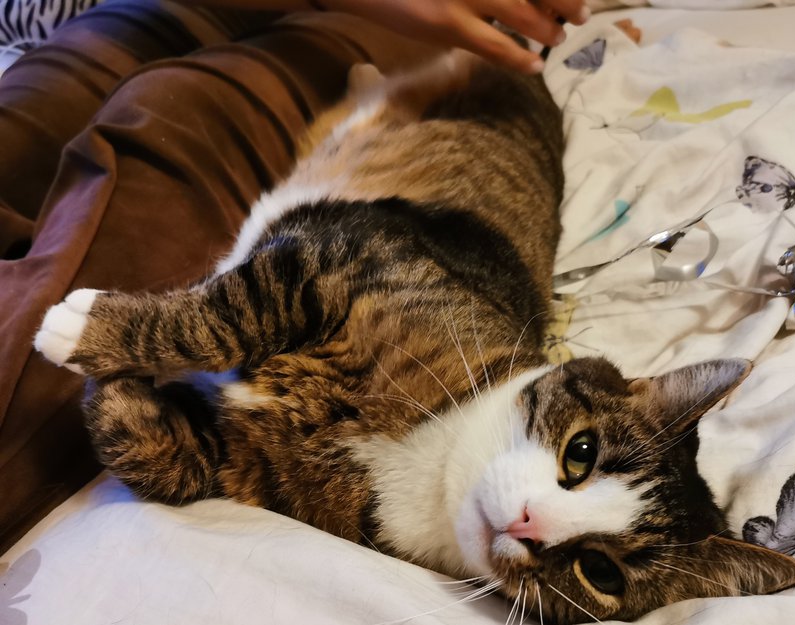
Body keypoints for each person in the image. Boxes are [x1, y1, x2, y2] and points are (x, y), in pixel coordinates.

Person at [0, 0, 587, 552]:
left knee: (108, 126)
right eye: (580, 456)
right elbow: (337, 257)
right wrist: (175, 334)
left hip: (318, 67)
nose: (533, 526)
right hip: (460, 97)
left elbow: (219, 451)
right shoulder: (459, 361)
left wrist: (162, 451)